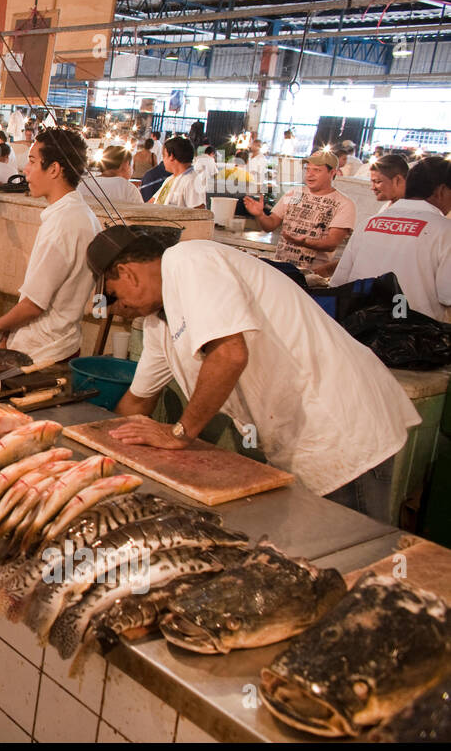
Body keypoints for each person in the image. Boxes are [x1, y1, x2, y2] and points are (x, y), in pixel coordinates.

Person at [90, 226, 420, 519]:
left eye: (115, 297)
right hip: (299, 438)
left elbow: (230, 355)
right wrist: (99, 460)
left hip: (341, 428)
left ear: (127, 272)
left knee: (351, 556)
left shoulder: (188, 260)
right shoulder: (157, 323)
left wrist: (179, 433)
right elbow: (137, 401)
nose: (118, 309)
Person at [0, 128, 102, 364]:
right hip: (62, 342)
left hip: (43, 353)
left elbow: (34, 305)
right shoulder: (81, 214)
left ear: (54, 169)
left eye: (32, 161)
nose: (26, 170)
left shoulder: (64, 224)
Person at [331, 156, 451, 322]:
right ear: (442, 191)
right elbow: (448, 295)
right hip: (413, 338)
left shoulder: (370, 223)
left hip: (357, 331)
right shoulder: (445, 230)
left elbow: (339, 283)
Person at [244, 149, 355, 272]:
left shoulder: (344, 204)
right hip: (280, 268)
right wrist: (260, 215)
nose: (309, 174)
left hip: (311, 274)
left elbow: (331, 243)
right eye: (308, 169)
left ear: (332, 172)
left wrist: (304, 242)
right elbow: (270, 225)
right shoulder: (294, 193)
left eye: (317, 170)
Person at [151, 136, 206, 208]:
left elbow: (199, 213)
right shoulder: (170, 179)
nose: (163, 160)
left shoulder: (192, 181)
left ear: (171, 156)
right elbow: (152, 202)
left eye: (164, 156)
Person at [79, 145, 144, 205]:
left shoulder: (83, 184)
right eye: (131, 166)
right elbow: (142, 215)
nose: (133, 170)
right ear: (125, 165)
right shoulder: (128, 188)